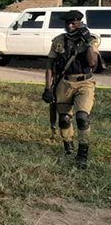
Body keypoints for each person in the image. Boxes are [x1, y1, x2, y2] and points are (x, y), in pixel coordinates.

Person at [42, 10, 99, 169]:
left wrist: (87, 41)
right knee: (64, 119)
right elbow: (50, 66)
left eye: (74, 22)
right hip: (64, 83)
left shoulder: (91, 39)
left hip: (85, 83)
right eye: (67, 23)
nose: (70, 25)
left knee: (82, 117)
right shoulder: (59, 41)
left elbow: (92, 62)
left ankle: (82, 153)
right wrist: (48, 88)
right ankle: (68, 146)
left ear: (80, 22)